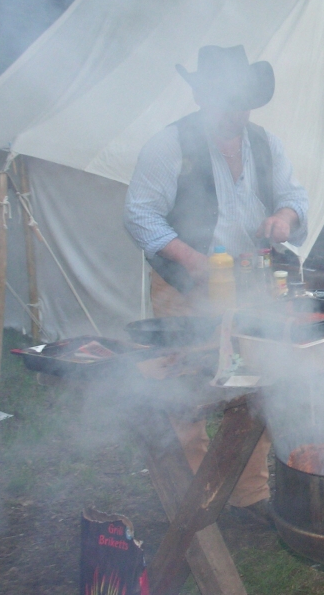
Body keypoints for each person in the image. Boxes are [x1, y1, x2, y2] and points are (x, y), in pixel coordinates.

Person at [124, 45, 308, 526]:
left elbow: (294, 197)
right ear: (203, 98)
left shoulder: (265, 144)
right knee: (185, 392)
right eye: (227, 103)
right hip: (184, 289)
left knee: (253, 385)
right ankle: (196, 504)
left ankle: (248, 495)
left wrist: (283, 219)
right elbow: (139, 215)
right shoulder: (170, 145)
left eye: (243, 103)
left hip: (250, 285)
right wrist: (192, 260)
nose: (236, 114)